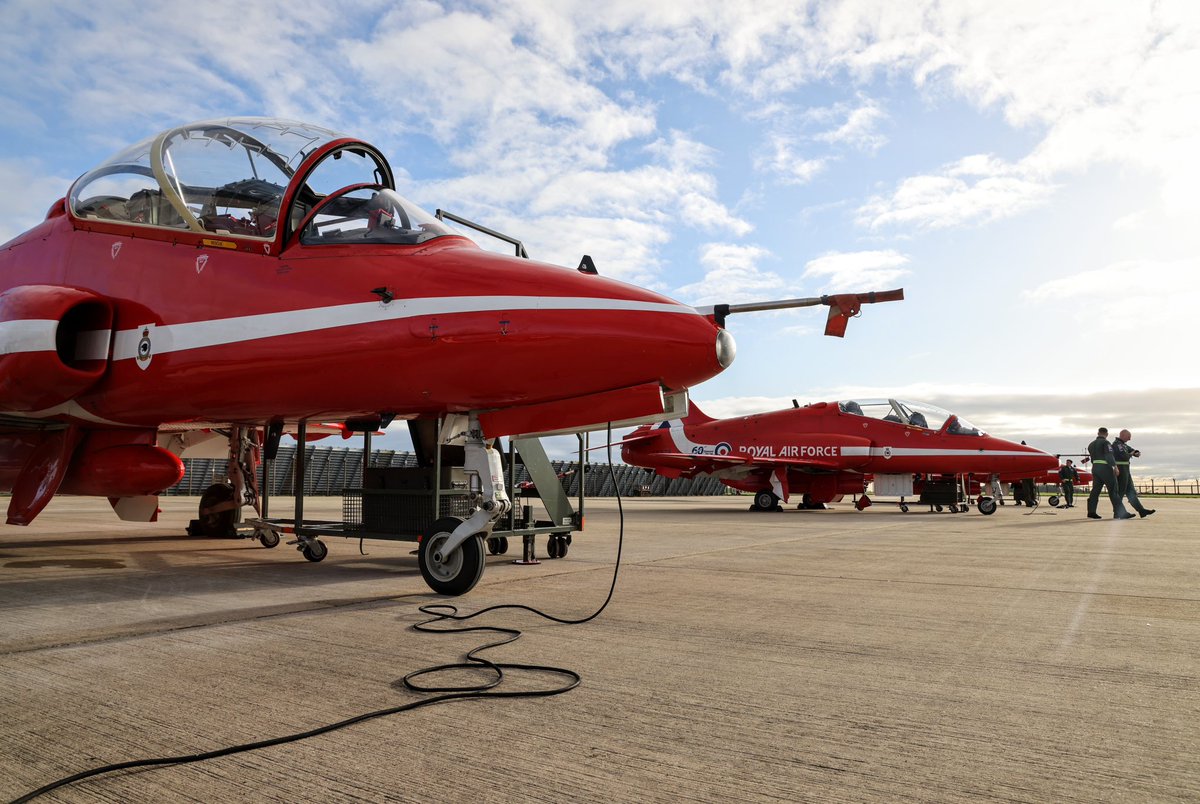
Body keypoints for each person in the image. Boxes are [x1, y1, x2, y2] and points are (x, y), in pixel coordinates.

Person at [1085, 427, 1133, 519]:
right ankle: (1121, 513)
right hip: (1105, 469)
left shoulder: (1091, 444)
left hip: (1095, 468)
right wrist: (1114, 466)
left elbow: (1092, 458)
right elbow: (1109, 455)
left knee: (1095, 491)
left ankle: (1091, 511)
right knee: (1113, 491)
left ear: (1098, 433)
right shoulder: (1106, 443)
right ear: (1106, 434)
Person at [1112, 429, 1155, 518]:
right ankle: (1117, 513)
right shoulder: (1117, 445)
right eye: (1128, 437)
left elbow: (1133, 450)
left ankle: (1141, 510)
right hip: (1121, 470)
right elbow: (1124, 456)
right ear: (1123, 435)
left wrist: (1136, 452)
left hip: (1126, 471)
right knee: (1120, 492)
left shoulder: (1123, 445)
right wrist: (1131, 454)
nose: (1130, 439)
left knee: (1131, 492)